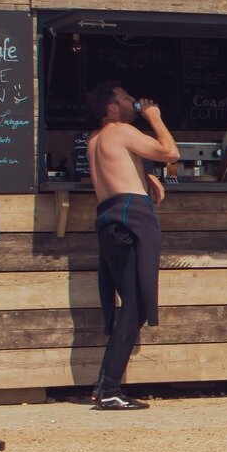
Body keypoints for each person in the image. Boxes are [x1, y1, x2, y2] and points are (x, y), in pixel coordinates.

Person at [85, 82, 179, 411]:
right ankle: (109, 389)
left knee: (131, 303)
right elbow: (171, 152)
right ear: (112, 108)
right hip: (131, 218)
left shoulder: (95, 140)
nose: (133, 102)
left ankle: (104, 386)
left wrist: (146, 175)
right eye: (126, 98)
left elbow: (120, 168)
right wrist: (154, 117)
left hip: (110, 218)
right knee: (136, 305)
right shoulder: (122, 130)